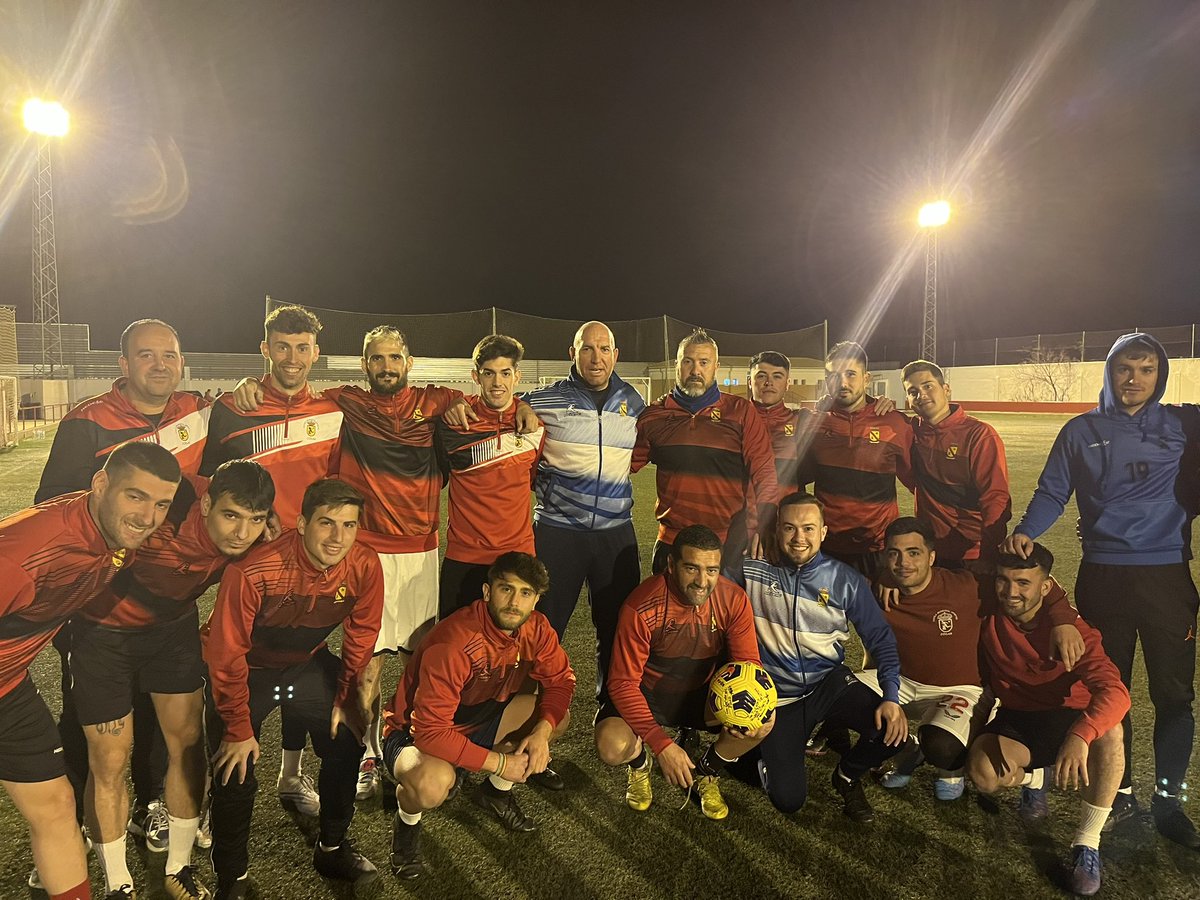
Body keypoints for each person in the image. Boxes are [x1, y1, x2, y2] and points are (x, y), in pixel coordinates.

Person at [232, 325, 541, 801]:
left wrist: (521, 405)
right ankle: (369, 755)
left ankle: (418, 741)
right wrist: (251, 384)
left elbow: (484, 399)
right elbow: (294, 388)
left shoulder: (438, 403)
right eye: (377, 359)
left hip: (420, 554)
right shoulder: (346, 403)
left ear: (409, 362)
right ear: (364, 364)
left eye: (394, 358)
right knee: (366, 665)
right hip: (369, 554)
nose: (387, 366)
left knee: (423, 659)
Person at [1003, 332, 1200, 847]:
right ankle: (1124, 795)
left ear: (1160, 376)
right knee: (1108, 691)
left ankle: (1168, 800)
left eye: (1147, 370)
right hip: (1104, 576)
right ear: (1109, 372)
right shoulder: (1080, 430)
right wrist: (1028, 529)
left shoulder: (1184, 424)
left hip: (1166, 577)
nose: (1135, 379)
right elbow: (1052, 490)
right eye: (1124, 369)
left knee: (1173, 694)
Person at [35, 318, 209, 859]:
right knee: (88, 717)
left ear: (182, 363)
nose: (160, 364)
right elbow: (53, 505)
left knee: (163, 717)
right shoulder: (87, 422)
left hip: (167, 604)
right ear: (123, 363)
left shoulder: (197, 412)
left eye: (170, 355)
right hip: (97, 604)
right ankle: (81, 826)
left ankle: (150, 807)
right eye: (146, 354)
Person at [64, 461, 274, 900]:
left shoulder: (256, 536)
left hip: (173, 631)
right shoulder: (165, 509)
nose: (241, 532)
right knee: (110, 758)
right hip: (103, 633)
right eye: (231, 516)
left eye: (255, 520)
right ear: (206, 502)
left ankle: (179, 867)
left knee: (188, 745)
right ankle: (118, 883)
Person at [0, 441, 182, 900]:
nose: (147, 517)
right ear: (100, 484)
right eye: (135, 496)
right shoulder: (24, 552)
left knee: (58, 806)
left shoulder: (116, 537)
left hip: (9, 688)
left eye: (161, 503)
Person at [202, 479, 383, 900]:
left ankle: (332, 847)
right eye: (327, 523)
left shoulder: (365, 564)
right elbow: (226, 655)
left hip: (303, 662)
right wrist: (236, 727)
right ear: (301, 523)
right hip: (244, 668)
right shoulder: (251, 569)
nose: (338, 537)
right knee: (235, 765)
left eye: (349, 525)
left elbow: (361, 634)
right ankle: (233, 880)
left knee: (348, 734)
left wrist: (346, 697)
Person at [203, 304, 342, 817]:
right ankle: (210, 804)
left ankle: (290, 776)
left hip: (307, 570)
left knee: (302, 663)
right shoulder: (231, 408)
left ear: (315, 353)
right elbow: (209, 481)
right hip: (245, 567)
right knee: (236, 666)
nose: (292, 358)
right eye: (282, 346)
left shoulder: (330, 412)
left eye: (302, 348)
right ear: (265, 349)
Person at [382, 552, 575, 880]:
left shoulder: (537, 628)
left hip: (479, 720)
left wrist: (542, 731)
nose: (514, 602)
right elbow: (429, 732)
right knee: (431, 785)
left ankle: (495, 794)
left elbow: (560, 681)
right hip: (412, 733)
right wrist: (501, 763)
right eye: (506, 589)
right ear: (487, 592)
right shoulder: (456, 641)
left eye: (525, 593)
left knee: (556, 718)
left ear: (536, 600)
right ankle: (406, 824)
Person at [871, 517, 1081, 801]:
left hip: (962, 689)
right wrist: (886, 575)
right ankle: (909, 750)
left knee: (943, 747)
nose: (903, 562)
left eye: (913, 553)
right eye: (894, 554)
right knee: (848, 697)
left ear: (931, 557)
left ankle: (951, 767)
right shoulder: (882, 587)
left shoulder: (968, 586)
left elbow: (1039, 582)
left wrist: (1064, 619)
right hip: (905, 681)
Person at [967, 544, 1130, 896]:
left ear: (1045, 587)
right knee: (983, 775)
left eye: (1024, 583)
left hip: (1069, 717)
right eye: (1004, 581)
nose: (1011, 592)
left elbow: (1116, 692)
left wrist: (1081, 735)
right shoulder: (990, 610)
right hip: (1019, 715)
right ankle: (1038, 779)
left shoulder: (1074, 631)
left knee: (1111, 733)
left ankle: (1087, 842)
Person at [736, 492, 907, 821]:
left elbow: (881, 639)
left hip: (828, 685)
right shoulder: (751, 568)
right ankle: (753, 755)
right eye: (789, 529)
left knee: (893, 733)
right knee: (788, 799)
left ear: (824, 532)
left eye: (809, 528)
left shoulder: (845, 580)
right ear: (776, 531)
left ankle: (846, 773)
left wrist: (890, 695)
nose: (799, 538)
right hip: (778, 698)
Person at [597, 525, 773, 821]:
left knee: (763, 720)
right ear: (670, 565)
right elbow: (623, 683)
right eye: (692, 568)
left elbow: (748, 666)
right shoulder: (641, 606)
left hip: (700, 695)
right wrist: (660, 744)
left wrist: (745, 714)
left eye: (712, 570)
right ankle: (640, 764)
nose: (702, 582)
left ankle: (706, 772)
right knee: (611, 745)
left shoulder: (733, 599)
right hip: (647, 694)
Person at [525, 321, 645, 706]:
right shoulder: (541, 401)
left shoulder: (635, 402)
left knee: (616, 627)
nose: (597, 357)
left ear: (615, 354)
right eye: (587, 349)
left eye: (604, 349)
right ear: (572, 354)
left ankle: (613, 707)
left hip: (615, 534)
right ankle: (529, 710)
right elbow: (504, 413)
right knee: (542, 627)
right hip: (558, 533)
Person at [633, 328, 779, 573]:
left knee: (725, 612)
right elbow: (622, 463)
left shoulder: (740, 411)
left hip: (728, 542)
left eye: (703, 362)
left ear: (716, 366)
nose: (695, 370)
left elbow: (764, 472)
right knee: (669, 612)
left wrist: (765, 525)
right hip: (673, 541)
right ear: (677, 365)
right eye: (688, 362)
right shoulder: (654, 416)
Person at [437, 334, 546, 617]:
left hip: (517, 556)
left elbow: (531, 479)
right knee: (455, 645)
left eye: (505, 373)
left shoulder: (534, 427)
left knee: (512, 649)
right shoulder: (453, 424)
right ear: (476, 376)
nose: (497, 383)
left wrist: (523, 405)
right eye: (489, 373)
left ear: (517, 376)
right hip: (464, 557)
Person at [799, 341, 912, 577]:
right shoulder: (815, 423)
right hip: (826, 544)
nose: (842, 383)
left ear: (867, 378)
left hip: (876, 548)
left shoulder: (894, 423)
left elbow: (917, 482)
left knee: (876, 613)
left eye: (851, 374)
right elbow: (800, 475)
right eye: (834, 375)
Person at [902, 360, 1010, 567]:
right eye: (912, 391)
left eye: (928, 386)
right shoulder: (910, 431)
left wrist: (987, 553)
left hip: (971, 553)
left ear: (946, 389)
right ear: (907, 399)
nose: (921, 395)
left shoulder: (979, 434)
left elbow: (995, 497)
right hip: (929, 550)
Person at [749, 350, 805, 496]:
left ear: (787, 384)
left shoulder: (802, 420)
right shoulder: (735, 419)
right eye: (761, 376)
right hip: (744, 514)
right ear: (750, 382)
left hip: (787, 513)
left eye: (777, 376)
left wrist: (872, 403)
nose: (769, 383)